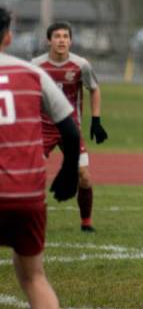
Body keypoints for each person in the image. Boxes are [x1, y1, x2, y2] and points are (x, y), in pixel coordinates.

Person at [0, 7, 82, 309]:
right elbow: (68, 126)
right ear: (8, 36)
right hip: (27, 194)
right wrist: (67, 174)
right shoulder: (31, 73)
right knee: (33, 276)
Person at [32, 22, 108, 232]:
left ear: (71, 41)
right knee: (31, 174)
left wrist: (96, 120)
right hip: (42, 128)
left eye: (66, 36)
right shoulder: (35, 66)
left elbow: (94, 89)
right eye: (57, 36)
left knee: (84, 175)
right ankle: (30, 220)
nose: (62, 40)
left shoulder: (80, 65)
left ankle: (86, 222)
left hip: (70, 129)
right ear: (49, 41)